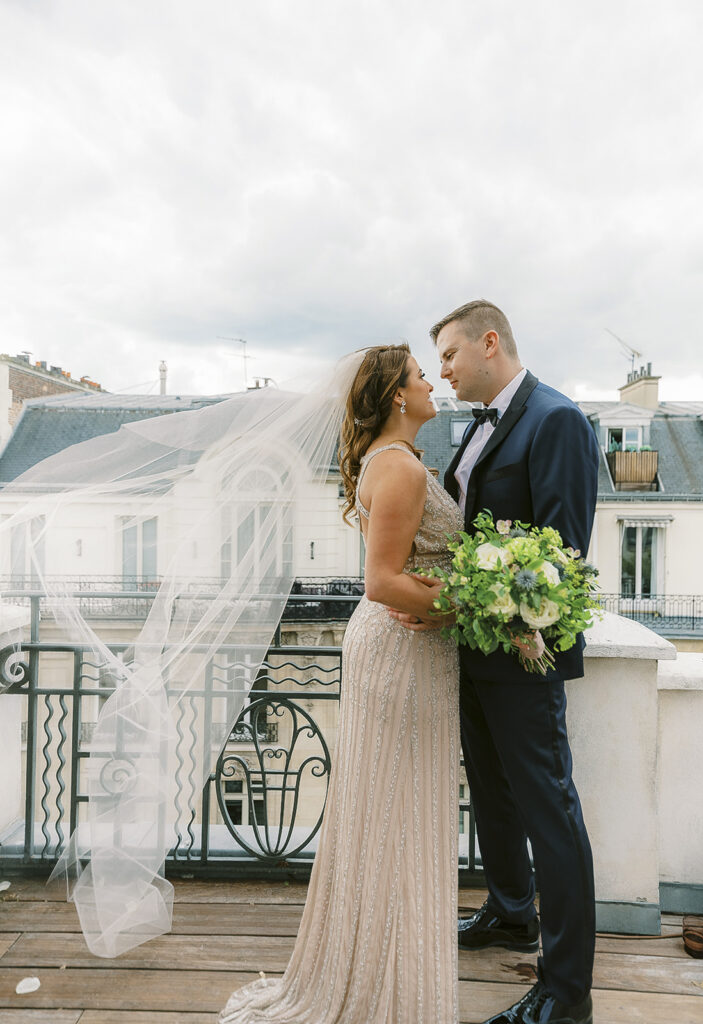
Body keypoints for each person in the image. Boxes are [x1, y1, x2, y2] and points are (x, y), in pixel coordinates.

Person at [219, 343, 464, 1023]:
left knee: (388, 814)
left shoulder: (399, 463)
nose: (430, 385)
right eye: (420, 376)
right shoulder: (401, 470)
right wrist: (469, 605)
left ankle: (381, 963)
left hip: (406, 649)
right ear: (396, 396)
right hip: (402, 651)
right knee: (393, 813)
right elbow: (382, 581)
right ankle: (378, 981)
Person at [393, 300, 599, 1024]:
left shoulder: (556, 419)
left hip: (525, 654)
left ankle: (567, 989)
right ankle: (512, 912)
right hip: (474, 652)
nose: (442, 370)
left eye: (448, 354)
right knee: (491, 795)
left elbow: (562, 557)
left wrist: (466, 604)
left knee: (551, 812)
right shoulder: (475, 429)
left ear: (490, 343)